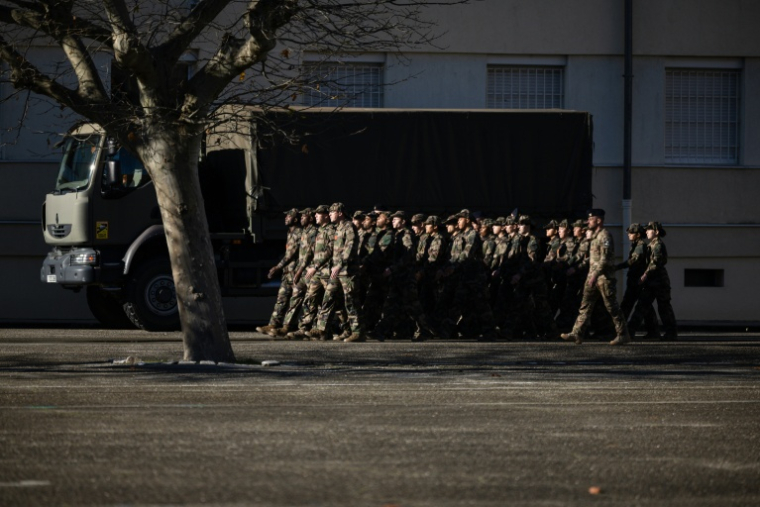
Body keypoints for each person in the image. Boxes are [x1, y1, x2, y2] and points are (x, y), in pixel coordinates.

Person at [561, 209, 630, 345]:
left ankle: (623, 334)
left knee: (612, 307)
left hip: (604, 278)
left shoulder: (605, 236)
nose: (588, 222)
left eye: (591, 219)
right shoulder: (593, 237)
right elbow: (589, 258)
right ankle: (577, 333)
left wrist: (596, 275)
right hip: (592, 277)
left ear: (598, 220)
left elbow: (605, 259)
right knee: (585, 305)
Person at [314, 202, 365, 342]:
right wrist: (317, 266)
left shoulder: (349, 227)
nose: (329, 214)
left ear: (340, 213)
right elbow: (330, 250)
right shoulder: (338, 228)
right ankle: (322, 330)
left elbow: (350, 246)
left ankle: (357, 332)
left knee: (351, 301)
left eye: (332, 212)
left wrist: (340, 264)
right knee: (328, 298)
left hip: (348, 271)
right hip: (337, 271)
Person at [628, 221, 678, 340]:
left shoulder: (658, 245)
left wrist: (645, 274)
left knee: (664, 308)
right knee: (642, 306)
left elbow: (656, 263)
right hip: (651, 282)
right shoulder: (651, 245)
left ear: (656, 232)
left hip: (660, 282)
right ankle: (631, 332)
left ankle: (671, 333)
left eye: (649, 229)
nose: (646, 231)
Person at [256, 208, 301, 336]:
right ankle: (273, 324)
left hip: (296, 272)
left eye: (289, 217)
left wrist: (277, 267)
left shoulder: (298, 233)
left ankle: (287, 327)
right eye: (286, 216)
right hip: (288, 272)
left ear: (295, 219)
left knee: (294, 301)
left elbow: (290, 255)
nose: (286, 218)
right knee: (282, 298)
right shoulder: (290, 232)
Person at [278, 208, 318, 336]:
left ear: (310, 218)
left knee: (310, 301)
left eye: (303, 217)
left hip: (310, 271)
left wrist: (299, 270)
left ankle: (309, 328)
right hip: (302, 271)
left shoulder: (314, 232)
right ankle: (287, 326)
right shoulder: (304, 232)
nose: (301, 219)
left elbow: (309, 254)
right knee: (295, 297)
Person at [616, 223, 660, 339]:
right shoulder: (636, 245)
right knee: (645, 308)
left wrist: (617, 267)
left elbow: (633, 261)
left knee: (629, 306)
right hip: (636, 280)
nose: (629, 235)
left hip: (637, 281)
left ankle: (622, 331)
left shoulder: (640, 246)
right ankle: (653, 332)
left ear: (638, 234)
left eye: (631, 233)